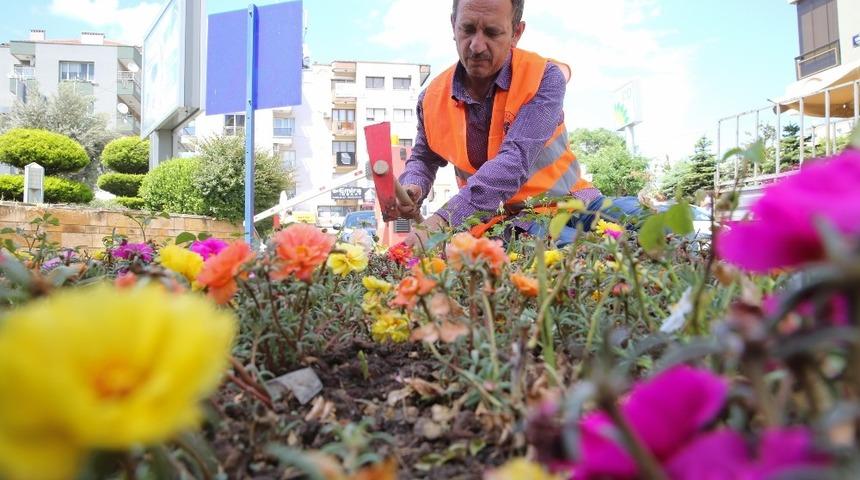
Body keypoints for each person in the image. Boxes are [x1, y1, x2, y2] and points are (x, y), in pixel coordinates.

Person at [396, 0, 609, 248]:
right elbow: (424, 157)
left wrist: (443, 220)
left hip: (574, 207)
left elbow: (514, 161)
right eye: (467, 29)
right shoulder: (431, 98)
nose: (476, 46)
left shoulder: (543, 77)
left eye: (492, 32)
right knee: (582, 251)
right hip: (499, 225)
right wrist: (414, 183)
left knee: (644, 222)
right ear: (453, 25)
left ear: (516, 33)